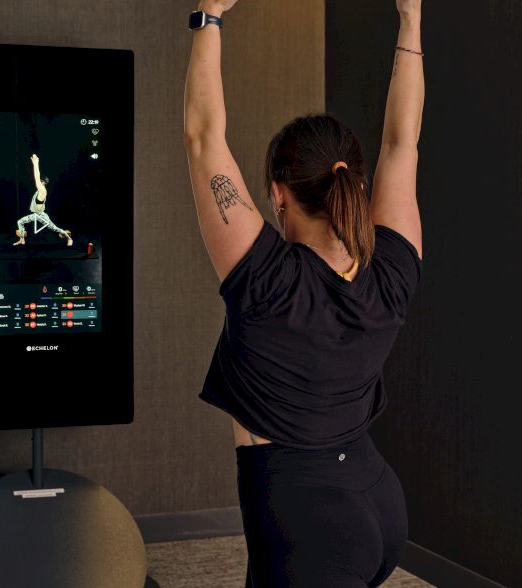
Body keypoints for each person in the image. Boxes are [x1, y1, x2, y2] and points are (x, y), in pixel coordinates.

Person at [184, 0, 424, 586]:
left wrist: (209, 15)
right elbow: (402, 143)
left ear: (277, 193)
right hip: (377, 501)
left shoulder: (268, 280)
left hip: (306, 527)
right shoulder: (390, 269)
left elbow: (203, 137)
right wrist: (411, 19)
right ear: (358, 185)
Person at [13, 153, 73, 246]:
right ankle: (22, 240)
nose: (38, 183)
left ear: (43, 183)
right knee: (20, 222)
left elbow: (36, 177)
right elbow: (37, 179)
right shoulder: (39, 190)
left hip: (42, 216)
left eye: (40, 182)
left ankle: (69, 239)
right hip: (35, 215)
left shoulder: (42, 191)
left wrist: (36, 163)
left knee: (55, 228)